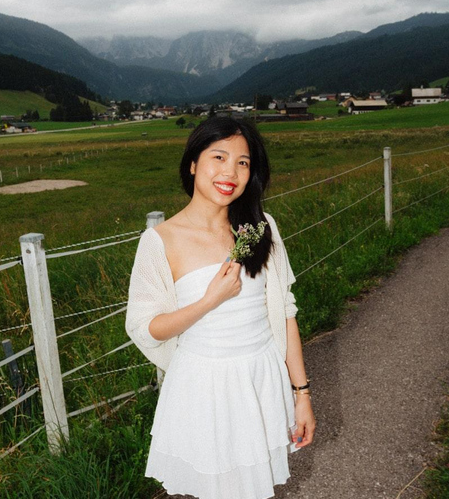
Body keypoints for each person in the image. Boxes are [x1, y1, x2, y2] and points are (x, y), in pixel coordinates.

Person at [126, 117, 316, 499]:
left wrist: (302, 395)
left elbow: (284, 312)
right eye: (219, 157)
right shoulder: (160, 241)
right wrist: (209, 301)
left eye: (243, 163)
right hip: (206, 389)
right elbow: (145, 327)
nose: (230, 172)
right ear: (193, 163)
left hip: (260, 379)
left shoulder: (260, 229)